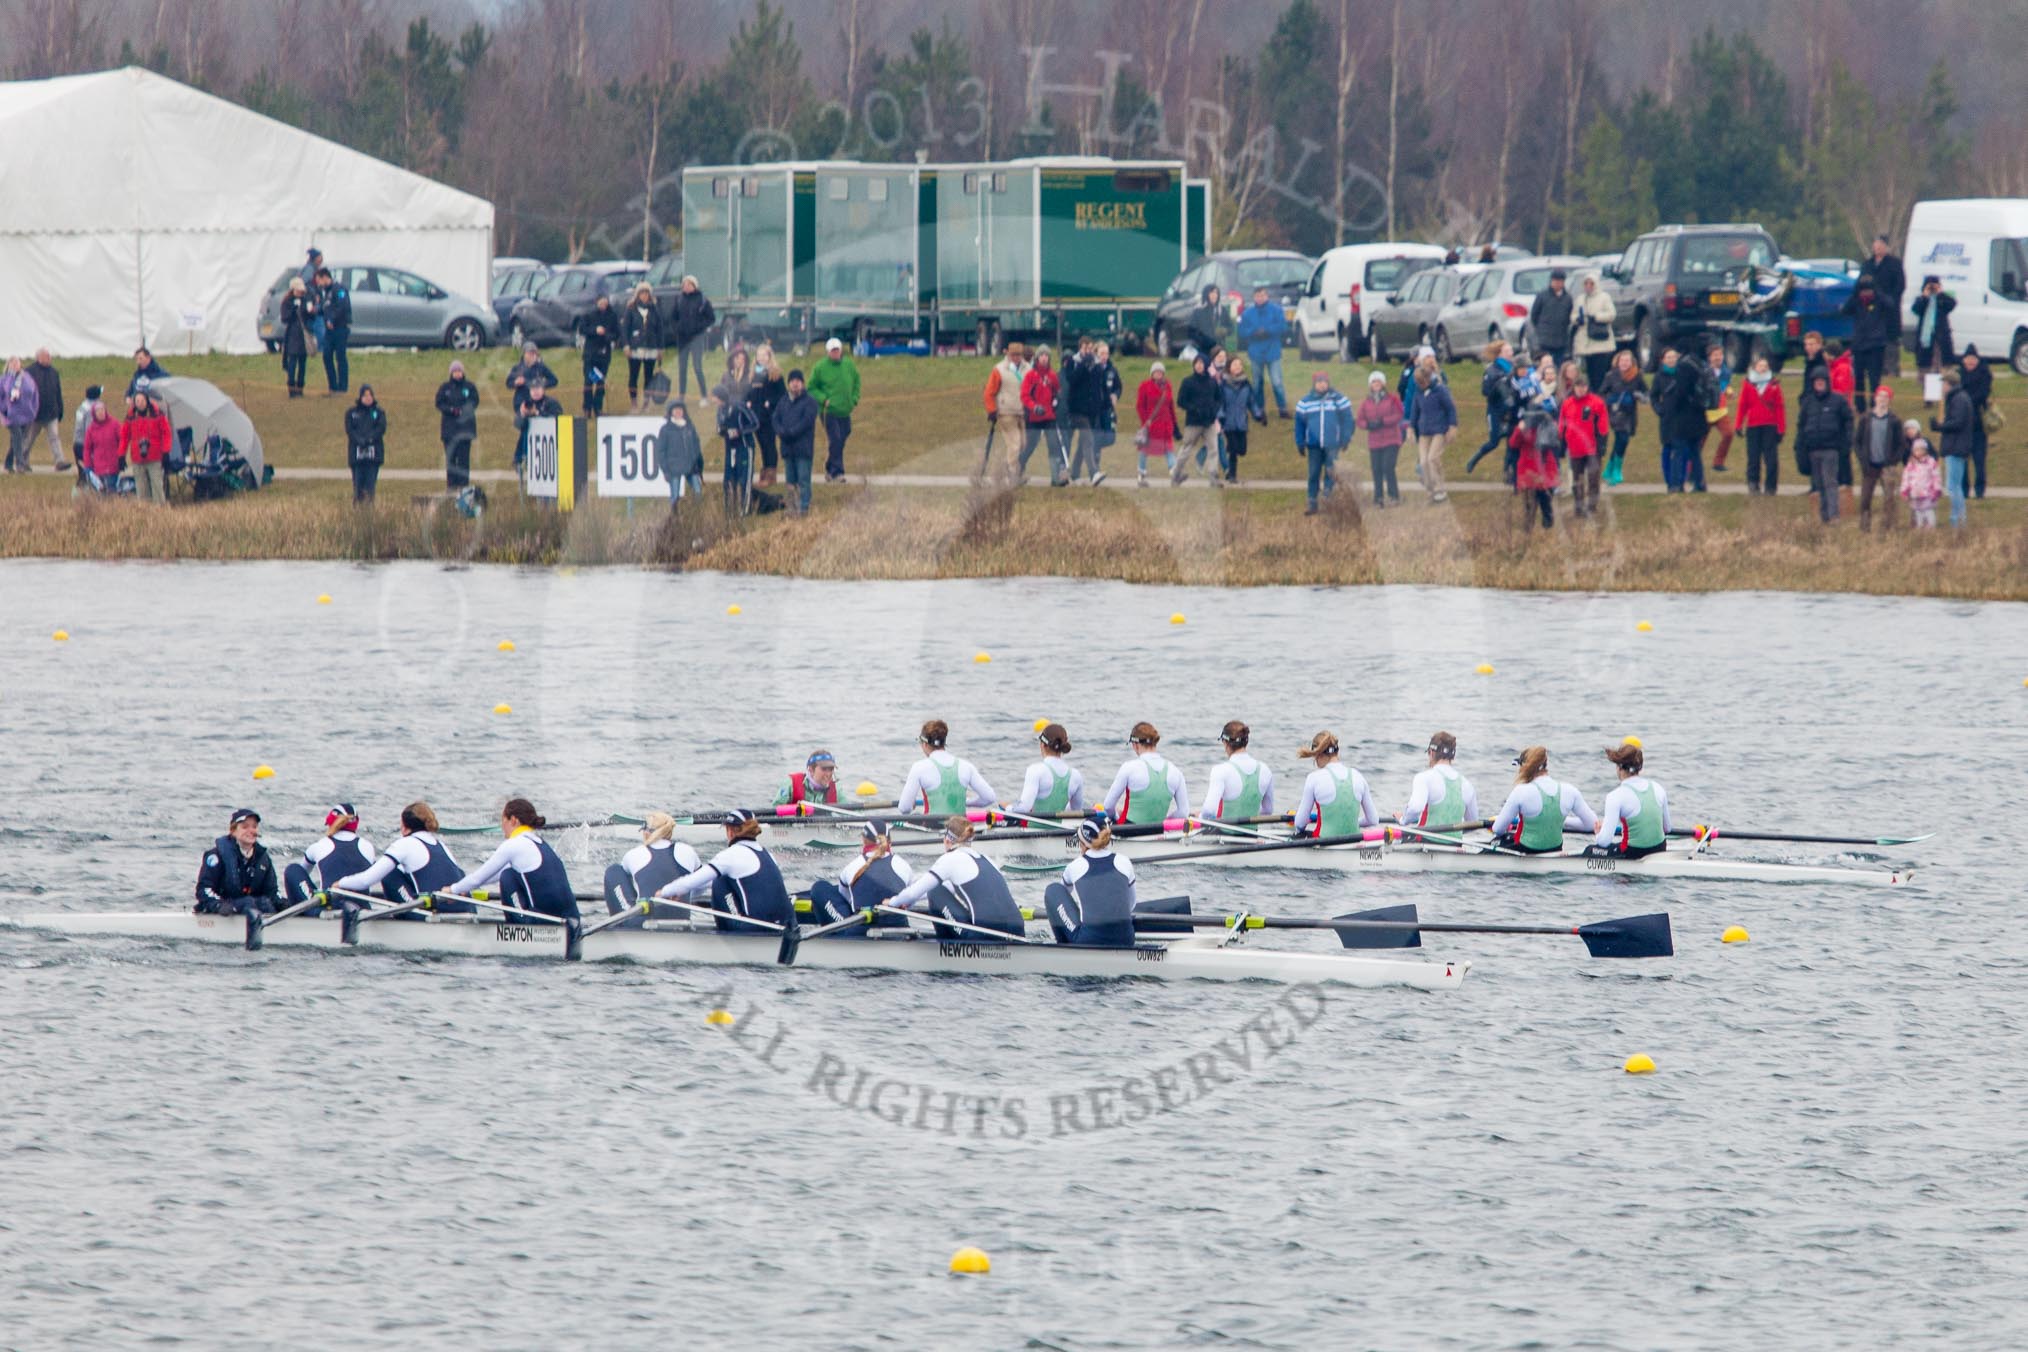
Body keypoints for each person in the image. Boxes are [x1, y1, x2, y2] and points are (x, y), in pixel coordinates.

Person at [882, 816, 1026, 939]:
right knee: (938, 889)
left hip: (986, 935)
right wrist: (909, 901)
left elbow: (916, 891)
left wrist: (893, 903)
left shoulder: (950, 859)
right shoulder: (988, 860)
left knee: (935, 893)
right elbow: (935, 889)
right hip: (1018, 930)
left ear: (947, 840)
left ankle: (945, 949)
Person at [653, 809, 793, 933]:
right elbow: (702, 882)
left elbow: (695, 879)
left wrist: (664, 892)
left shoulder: (731, 855)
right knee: (719, 879)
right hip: (784, 927)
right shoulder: (768, 854)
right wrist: (682, 891)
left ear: (730, 831)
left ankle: (726, 935)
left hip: (752, 929)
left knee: (719, 881)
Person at [449, 797, 578, 924]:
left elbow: (478, 878)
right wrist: (464, 888)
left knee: (508, 877)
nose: (501, 825)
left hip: (547, 927)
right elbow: (491, 876)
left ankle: (515, 928)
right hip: (572, 922)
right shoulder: (540, 843)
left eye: (503, 819)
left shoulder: (514, 844)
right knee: (509, 873)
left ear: (513, 820)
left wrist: (451, 890)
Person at [332, 802, 467, 912]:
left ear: (404, 826)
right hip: (465, 909)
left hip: (436, 913)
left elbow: (367, 880)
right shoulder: (442, 846)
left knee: (390, 873)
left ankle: (407, 914)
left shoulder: (404, 844)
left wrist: (340, 884)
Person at [1045, 812, 1139, 946]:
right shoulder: (1124, 861)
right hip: (1127, 939)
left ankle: (1063, 947)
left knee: (1052, 890)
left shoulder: (1074, 866)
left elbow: (1060, 903)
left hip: (1089, 940)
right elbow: (1131, 904)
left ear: (1083, 843)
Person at [808, 821, 916, 932]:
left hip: (859, 933)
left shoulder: (852, 866)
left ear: (864, 841)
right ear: (890, 841)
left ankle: (831, 935)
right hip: (901, 930)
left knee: (819, 888)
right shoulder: (904, 866)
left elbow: (847, 898)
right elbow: (910, 901)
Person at [601, 812, 707, 925]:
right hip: (683, 923)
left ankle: (623, 923)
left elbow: (622, 885)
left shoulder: (635, 854)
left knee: (613, 871)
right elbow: (702, 886)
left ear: (646, 832)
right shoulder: (687, 851)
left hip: (643, 926)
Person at [1490, 747, 1598, 853]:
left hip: (1526, 850)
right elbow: (1592, 825)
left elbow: (1497, 829)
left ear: (1524, 767)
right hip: (1555, 850)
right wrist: (1560, 820)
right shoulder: (1570, 791)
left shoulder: (1520, 791)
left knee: (1498, 841)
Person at [282, 804, 378, 906]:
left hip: (328, 909)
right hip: (362, 908)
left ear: (331, 823)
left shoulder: (319, 845)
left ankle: (297, 911)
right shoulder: (368, 847)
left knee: (293, 869)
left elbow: (300, 876)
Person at [898, 719, 996, 816]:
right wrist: (967, 802)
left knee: (915, 815)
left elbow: (904, 808)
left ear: (924, 744)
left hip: (932, 828)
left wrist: (911, 805)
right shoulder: (966, 766)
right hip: (960, 829)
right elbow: (989, 798)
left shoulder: (919, 767)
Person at [194, 808, 282, 915]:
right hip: (224, 909)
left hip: (252, 908)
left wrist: (283, 903)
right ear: (233, 831)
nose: (251, 831)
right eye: (245, 827)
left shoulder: (263, 859)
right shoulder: (216, 856)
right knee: (248, 903)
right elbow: (204, 889)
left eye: (254, 827)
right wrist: (218, 905)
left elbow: (271, 892)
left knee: (264, 904)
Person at [1590, 742, 1670, 858]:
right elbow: (1667, 828)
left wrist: (1598, 834)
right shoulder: (1658, 788)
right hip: (1660, 849)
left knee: (1589, 850)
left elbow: (1604, 842)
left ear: (1619, 768)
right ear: (1640, 767)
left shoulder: (1615, 796)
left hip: (1632, 853)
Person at [1795, 366, 1854, 523]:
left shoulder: (1838, 400)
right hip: (1813, 450)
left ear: (1827, 382)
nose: (1819, 384)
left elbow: (1849, 420)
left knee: (1830, 483)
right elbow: (1801, 425)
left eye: (1822, 381)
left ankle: (1834, 516)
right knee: (1818, 485)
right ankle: (1823, 517)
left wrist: (1847, 442)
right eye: (1816, 382)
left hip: (1831, 449)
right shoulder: (1808, 403)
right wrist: (1800, 447)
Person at [1291, 731, 1377, 837]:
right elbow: (1373, 820)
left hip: (1323, 845)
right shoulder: (1358, 776)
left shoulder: (1313, 778)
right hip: (1353, 842)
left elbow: (1300, 823)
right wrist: (1352, 821)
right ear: (1337, 752)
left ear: (1318, 754)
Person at [1101, 721, 1187, 827]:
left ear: (1135, 745)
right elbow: (1183, 812)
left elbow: (1108, 806)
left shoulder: (1129, 767)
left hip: (1128, 831)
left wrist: (1116, 817)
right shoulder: (1176, 771)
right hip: (1158, 830)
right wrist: (1165, 822)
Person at [1294, 369, 1354, 514]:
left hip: (1332, 443)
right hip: (1314, 445)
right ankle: (1312, 501)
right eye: (1319, 382)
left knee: (1331, 472)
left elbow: (1348, 420)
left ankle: (1328, 499)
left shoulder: (1338, 400)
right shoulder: (1305, 402)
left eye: (1324, 382)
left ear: (1328, 383)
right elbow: (1299, 424)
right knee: (1313, 473)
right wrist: (1300, 441)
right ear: (1314, 384)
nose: (1322, 385)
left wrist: (1345, 438)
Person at [1653, 347, 1708, 493]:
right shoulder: (1697, 368)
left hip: (1681, 420)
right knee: (1694, 452)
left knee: (1679, 452)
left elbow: (1679, 395)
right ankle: (1699, 483)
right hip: (1695, 418)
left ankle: (1677, 485)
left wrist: (1668, 408)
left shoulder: (1683, 371)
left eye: (1674, 356)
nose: (1673, 359)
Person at [1200, 720, 1275, 821]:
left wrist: (1198, 817)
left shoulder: (1220, 771)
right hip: (1252, 835)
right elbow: (1268, 810)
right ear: (1246, 742)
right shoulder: (1265, 770)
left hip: (1223, 834)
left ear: (1225, 742)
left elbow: (1208, 812)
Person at [1732, 354, 1785, 496]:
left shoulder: (1774, 384)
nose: (1763, 368)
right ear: (1755, 367)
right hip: (1753, 425)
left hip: (1770, 425)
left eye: (1765, 366)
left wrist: (1781, 428)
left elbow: (1779, 407)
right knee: (1753, 458)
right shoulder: (1748, 383)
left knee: (1771, 459)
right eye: (1760, 366)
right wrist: (1738, 424)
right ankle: (1753, 484)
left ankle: (1771, 487)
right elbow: (1742, 405)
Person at [1401, 731, 1477, 829]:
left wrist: (1403, 819)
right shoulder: (1467, 785)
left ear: (1431, 753)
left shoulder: (1424, 778)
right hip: (1455, 844)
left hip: (1425, 842)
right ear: (1452, 756)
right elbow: (1473, 824)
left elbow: (1415, 809)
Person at [809, 337, 861, 483]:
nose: (835, 353)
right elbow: (812, 387)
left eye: (837, 350)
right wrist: (823, 399)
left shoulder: (848, 365)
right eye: (832, 351)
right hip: (828, 410)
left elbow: (857, 381)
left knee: (845, 434)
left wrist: (854, 398)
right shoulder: (820, 367)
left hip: (845, 409)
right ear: (828, 352)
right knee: (836, 438)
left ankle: (829, 465)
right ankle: (837, 472)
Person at [1017, 345, 1070, 487]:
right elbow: (1024, 395)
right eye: (1042, 355)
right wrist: (1034, 407)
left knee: (1054, 446)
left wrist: (1057, 400)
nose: (1044, 358)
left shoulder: (1052, 375)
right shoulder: (1030, 376)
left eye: (1047, 355)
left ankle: (1055, 478)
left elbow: (1057, 391)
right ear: (1037, 358)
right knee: (1029, 446)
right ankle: (1017, 472)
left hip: (1049, 417)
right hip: (1034, 418)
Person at [714, 347, 760, 506]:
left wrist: (740, 431)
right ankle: (730, 510)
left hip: (743, 428)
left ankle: (745, 508)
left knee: (744, 477)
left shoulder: (749, 375)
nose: (739, 360)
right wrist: (723, 431)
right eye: (736, 357)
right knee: (729, 479)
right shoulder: (726, 377)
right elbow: (719, 425)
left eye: (742, 357)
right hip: (730, 442)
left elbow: (755, 423)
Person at [1855, 384, 1904, 532]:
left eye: (1886, 397)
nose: (1882, 399)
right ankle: (1864, 527)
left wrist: (1893, 461)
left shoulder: (1895, 420)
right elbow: (1857, 441)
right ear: (1875, 398)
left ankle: (1888, 526)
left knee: (1889, 498)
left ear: (1890, 400)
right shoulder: (1866, 418)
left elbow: (1901, 444)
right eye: (1880, 396)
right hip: (1869, 465)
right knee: (1865, 498)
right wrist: (1862, 458)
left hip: (1887, 466)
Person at [1236, 284, 1290, 418]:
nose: (1260, 298)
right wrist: (1254, 333)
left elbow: (1283, 326)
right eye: (1257, 296)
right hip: (1256, 352)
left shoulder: (1276, 310)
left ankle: (1282, 408)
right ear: (1254, 297)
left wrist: (1268, 331)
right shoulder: (1247, 313)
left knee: (1277, 382)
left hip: (1273, 351)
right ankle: (1259, 410)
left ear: (1267, 296)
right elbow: (1242, 331)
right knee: (1257, 382)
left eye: (1263, 295)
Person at [1559, 372, 1608, 519]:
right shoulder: (1567, 403)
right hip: (1574, 448)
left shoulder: (1597, 402)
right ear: (1574, 387)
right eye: (1578, 386)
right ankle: (1578, 506)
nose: (1581, 389)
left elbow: (1603, 424)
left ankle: (1592, 506)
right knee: (1577, 479)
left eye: (1584, 386)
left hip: (1592, 447)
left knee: (1593, 477)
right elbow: (1562, 424)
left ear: (1587, 387)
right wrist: (1561, 442)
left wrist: (1602, 444)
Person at [1841, 275, 1893, 411]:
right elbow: (1844, 310)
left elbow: (1890, 304)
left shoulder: (1879, 300)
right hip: (1859, 345)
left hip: (1876, 346)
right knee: (1858, 378)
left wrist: (1878, 293)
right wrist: (1855, 296)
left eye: (1869, 291)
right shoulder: (1856, 301)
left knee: (1874, 378)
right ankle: (1860, 406)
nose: (1866, 294)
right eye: (1863, 291)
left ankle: (1874, 403)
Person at [1931, 367, 1975, 529]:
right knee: (1954, 485)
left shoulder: (1958, 399)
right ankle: (1958, 519)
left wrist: (1939, 426)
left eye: (1943, 383)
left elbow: (1957, 422)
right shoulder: (1960, 397)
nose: (1942, 387)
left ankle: (1957, 520)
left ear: (1949, 384)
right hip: (1958, 446)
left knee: (1953, 486)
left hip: (1956, 447)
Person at [1464, 341, 1518, 475]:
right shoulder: (1492, 370)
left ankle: (1508, 471)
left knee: (1512, 441)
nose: (1511, 353)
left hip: (1510, 409)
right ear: (1500, 354)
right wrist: (1500, 383)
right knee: (1494, 441)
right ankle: (1474, 459)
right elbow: (1485, 391)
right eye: (1507, 351)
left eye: (1511, 350)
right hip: (1495, 410)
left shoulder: (1515, 368)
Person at [1011, 722, 1085, 815]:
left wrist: (1007, 807)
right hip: (1061, 829)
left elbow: (1023, 808)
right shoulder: (1075, 775)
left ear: (1043, 745)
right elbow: (1076, 811)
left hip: (1034, 829)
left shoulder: (1035, 770)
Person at [771, 369, 819, 512]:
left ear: (802, 384)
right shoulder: (783, 400)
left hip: (803, 448)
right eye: (792, 381)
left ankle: (804, 507)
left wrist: (791, 432)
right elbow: (775, 418)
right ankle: (792, 506)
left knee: (803, 480)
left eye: (798, 381)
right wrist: (780, 431)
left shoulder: (810, 401)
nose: (795, 384)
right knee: (790, 481)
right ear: (788, 384)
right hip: (787, 447)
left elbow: (807, 422)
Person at [1411, 359, 1457, 504]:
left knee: (1432, 458)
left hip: (1439, 429)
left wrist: (1452, 426)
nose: (1421, 385)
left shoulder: (1440, 390)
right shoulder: (1418, 393)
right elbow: (1415, 411)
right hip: (1424, 431)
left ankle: (1440, 488)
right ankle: (1430, 490)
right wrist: (1411, 428)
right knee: (1423, 462)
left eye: (1423, 382)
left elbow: (1451, 409)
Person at [1357, 369, 1405, 507]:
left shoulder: (1392, 398)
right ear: (1370, 385)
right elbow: (1359, 420)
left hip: (1391, 438)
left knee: (1388, 467)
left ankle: (1394, 496)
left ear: (1383, 383)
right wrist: (1368, 425)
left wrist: (1383, 421)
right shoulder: (1366, 402)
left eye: (1378, 381)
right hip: (1374, 441)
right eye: (1373, 381)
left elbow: (1399, 414)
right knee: (1376, 469)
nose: (1376, 384)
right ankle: (1378, 497)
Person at [982, 341, 1029, 480]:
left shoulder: (1028, 369)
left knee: (1023, 444)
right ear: (1007, 354)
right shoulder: (999, 369)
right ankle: (1013, 475)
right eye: (1013, 354)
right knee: (1015, 443)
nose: (1016, 357)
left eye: (1019, 355)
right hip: (1005, 412)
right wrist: (991, 410)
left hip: (1022, 412)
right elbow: (989, 392)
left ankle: (1004, 469)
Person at [1599, 349, 1646, 487]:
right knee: (1622, 437)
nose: (1625, 363)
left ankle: (1610, 468)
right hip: (1615, 413)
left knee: (1622, 440)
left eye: (1627, 361)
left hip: (1630, 413)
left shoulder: (1637, 376)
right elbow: (1601, 393)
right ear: (1618, 362)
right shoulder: (1611, 375)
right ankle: (1617, 470)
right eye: (1622, 361)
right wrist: (1611, 399)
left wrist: (1638, 396)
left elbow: (1646, 392)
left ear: (1632, 362)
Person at [1511, 398, 1559, 530]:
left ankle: (1547, 528)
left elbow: (1553, 441)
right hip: (1528, 469)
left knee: (1545, 503)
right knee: (1529, 505)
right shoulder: (1523, 427)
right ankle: (1528, 531)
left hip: (1544, 468)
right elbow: (1513, 444)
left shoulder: (1548, 426)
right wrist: (1519, 430)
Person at [1173, 350, 1220, 486]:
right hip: (1194, 421)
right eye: (1196, 363)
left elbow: (1219, 398)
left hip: (1209, 421)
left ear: (1206, 365)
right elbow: (1181, 401)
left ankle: (1213, 476)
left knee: (1213, 449)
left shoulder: (1212, 382)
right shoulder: (1188, 382)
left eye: (1201, 363)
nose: (1199, 366)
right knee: (1186, 449)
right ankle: (1176, 473)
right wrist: (1194, 409)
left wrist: (1214, 410)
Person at [1216, 354, 1262, 485]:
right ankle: (1232, 475)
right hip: (1228, 421)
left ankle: (1230, 452)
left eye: (1240, 365)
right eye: (1235, 364)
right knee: (1233, 450)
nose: (1238, 367)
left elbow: (1251, 402)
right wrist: (1220, 415)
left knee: (1242, 449)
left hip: (1241, 422)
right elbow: (1220, 402)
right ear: (1229, 367)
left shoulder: (1246, 384)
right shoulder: (1223, 384)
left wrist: (1258, 414)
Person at [433, 360, 479, 490]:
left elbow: (474, 401)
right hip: (449, 431)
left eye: (459, 371)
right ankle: (451, 487)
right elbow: (439, 403)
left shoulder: (469, 387)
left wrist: (463, 410)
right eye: (455, 371)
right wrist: (451, 410)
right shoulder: (445, 388)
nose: (457, 374)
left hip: (465, 430)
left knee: (464, 461)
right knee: (451, 460)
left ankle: (464, 487)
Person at [120, 390, 173, 505]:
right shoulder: (130, 416)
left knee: (157, 486)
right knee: (141, 488)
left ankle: (159, 509)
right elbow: (124, 436)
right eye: (137, 401)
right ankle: (145, 511)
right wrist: (121, 455)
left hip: (155, 457)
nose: (140, 403)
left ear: (147, 400)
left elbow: (166, 434)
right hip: (137, 458)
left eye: (142, 400)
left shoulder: (157, 414)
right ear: (134, 402)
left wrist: (166, 452)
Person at [669, 275, 717, 398]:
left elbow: (711, 318)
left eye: (689, 284)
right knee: (682, 368)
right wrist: (677, 328)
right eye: (684, 284)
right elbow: (672, 318)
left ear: (694, 286)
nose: (686, 286)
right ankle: (681, 395)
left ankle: (704, 395)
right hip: (683, 338)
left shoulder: (702, 299)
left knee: (697, 367)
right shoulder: (679, 299)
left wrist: (699, 327)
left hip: (697, 338)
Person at [1134, 360, 1178, 486]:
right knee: (1144, 450)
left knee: (1169, 449)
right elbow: (1140, 406)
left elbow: (1171, 406)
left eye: (1160, 372)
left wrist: (1174, 424)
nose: (1158, 374)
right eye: (1155, 372)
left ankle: (1174, 472)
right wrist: (1145, 421)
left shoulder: (1167, 386)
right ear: (1152, 373)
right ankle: (1141, 475)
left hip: (1165, 425)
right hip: (1151, 426)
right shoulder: (1145, 386)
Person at [22, 349, 67, 471]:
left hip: (51, 413)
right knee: (29, 439)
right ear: (39, 358)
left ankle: (60, 461)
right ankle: (22, 461)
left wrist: (60, 410)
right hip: (34, 414)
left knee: (54, 437)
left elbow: (58, 392)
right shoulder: (29, 372)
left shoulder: (54, 372)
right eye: (46, 356)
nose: (49, 358)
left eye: (49, 356)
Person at [622, 283, 664, 410]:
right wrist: (626, 345)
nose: (644, 296)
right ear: (638, 295)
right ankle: (633, 400)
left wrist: (660, 348)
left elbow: (660, 329)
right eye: (642, 293)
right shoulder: (631, 309)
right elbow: (625, 329)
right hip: (635, 347)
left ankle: (646, 401)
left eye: (646, 293)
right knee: (634, 375)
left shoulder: (654, 309)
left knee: (648, 376)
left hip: (650, 346)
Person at [748, 344, 786, 486]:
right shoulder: (753, 374)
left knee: (769, 444)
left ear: (770, 357)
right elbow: (749, 393)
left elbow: (782, 395)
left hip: (769, 416)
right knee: (762, 444)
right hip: (756, 416)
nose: (761, 358)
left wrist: (770, 402)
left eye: (764, 355)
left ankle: (771, 474)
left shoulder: (775, 375)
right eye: (759, 355)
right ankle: (764, 472)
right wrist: (748, 402)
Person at [1869, 233, 1907, 373]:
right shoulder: (1868, 264)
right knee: (1875, 339)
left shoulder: (1894, 264)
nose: (1877, 248)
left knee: (1891, 340)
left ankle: (1892, 368)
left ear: (1886, 247)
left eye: (1880, 245)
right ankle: (1877, 367)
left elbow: (1901, 285)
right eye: (1875, 245)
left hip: (1890, 309)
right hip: (1872, 309)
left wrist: (1890, 299)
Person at [576, 292, 618, 417]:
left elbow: (616, 333)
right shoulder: (589, 314)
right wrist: (595, 331)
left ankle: (598, 408)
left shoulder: (612, 315)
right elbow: (582, 329)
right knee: (589, 382)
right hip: (590, 355)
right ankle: (587, 408)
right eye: (601, 302)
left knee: (600, 383)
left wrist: (607, 335)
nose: (603, 305)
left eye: (605, 302)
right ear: (596, 302)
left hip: (604, 355)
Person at [1573, 274, 1617, 390]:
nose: (1588, 286)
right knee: (1589, 373)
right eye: (1586, 283)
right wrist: (1578, 319)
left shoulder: (1604, 297)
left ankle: (1600, 395)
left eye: (1591, 283)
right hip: (1585, 342)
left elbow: (1611, 314)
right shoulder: (1580, 299)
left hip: (1601, 341)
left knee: (1600, 373)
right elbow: (1573, 315)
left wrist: (1596, 317)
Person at [344, 385, 386, 504]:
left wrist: (369, 440)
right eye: (365, 395)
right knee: (358, 487)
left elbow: (381, 428)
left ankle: (369, 513)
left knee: (370, 487)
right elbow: (350, 430)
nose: (368, 398)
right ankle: (357, 512)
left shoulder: (378, 412)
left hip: (373, 455)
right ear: (360, 397)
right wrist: (360, 441)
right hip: (357, 455)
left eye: (370, 395)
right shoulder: (352, 413)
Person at [656, 399, 703, 504]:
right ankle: (674, 518)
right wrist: (665, 470)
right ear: (671, 412)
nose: (678, 412)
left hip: (691, 466)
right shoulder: (665, 429)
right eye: (675, 410)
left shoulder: (689, 427)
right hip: (674, 468)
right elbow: (661, 452)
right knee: (675, 497)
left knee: (698, 493)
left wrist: (698, 465)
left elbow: (696, 445)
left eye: (680, 410)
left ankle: (698, 516)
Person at [1961, 346, 1993, 500]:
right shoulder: (1958, 375)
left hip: (1979, 425)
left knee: (1979, 460)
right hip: (1962, 426)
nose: (1970, 362)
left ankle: (1980, 490)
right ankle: (1964, 490)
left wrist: (1966, 401)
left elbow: (1983, 393)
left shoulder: (1985, 374)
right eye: (1968, 358)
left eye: (1973, 359)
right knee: (1963, 461)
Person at [513, 379, 562, 475]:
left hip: (549, 443)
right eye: (532, 389)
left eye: (538, 389)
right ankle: (523, 459)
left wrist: (538, 413)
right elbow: (518, 425)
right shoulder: (527, 404)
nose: (535, 392)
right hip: (529, 443)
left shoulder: (551, 403)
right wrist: (523, 414)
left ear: (543, 389)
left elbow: (558, 419)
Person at [1910, 276, 1956, 377]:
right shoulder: (1921, 299)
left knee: (1943, 360)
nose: (1932, 289)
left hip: (1941, 335)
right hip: (1925, 337)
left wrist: (1941, 293)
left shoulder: (1942, 299)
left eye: (1934, 286)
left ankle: (1944, 380)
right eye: (1930, 286)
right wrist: (1924, 296)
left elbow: (1952, 305)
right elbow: (1915, 309)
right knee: (1925, 361)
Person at [1529, 268, 1575, 368]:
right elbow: (1534, 316)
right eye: (1555, 281)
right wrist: (1542, 330)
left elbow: (1569, 318)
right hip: (1544, 340)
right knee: (1545, 366)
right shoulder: (1542, 296)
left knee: (1559, 366)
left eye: (1560, 281)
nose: (1557, 283)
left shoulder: (1568, 298)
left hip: (1560, 340)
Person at [1, 356, 40, 474]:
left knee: (18, 440)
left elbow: (34, 394)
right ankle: (20, 464)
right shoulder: (4, 379)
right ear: (8, 365)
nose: (15, 365)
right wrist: (4, 410)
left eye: (17, 363)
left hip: (27, 414)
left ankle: (8, 463)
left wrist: (34, 409)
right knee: (17, 438)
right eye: (12, 363)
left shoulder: (27, 378)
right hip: (11, 415)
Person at [278, 276, 316, 398]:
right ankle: (291, 388)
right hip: (292, 335)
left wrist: (311, 312)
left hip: (303, 335)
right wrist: (294, 310)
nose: (301, 292)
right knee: (292, 362)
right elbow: (285, 318)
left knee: (303, 363)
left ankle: (300, 387)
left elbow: (310, 318)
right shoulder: (287, 301)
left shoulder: (306, 299)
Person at [316, 266, 351, 394]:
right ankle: (332, 386)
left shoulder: (339, 289)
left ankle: (342, 387)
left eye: (319, 280)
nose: (319, 284)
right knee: (326, 356)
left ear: (325, 277)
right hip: (329, 331)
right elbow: (326, 308)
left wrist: (332, 319)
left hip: (340, 328)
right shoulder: (326, 292)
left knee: (340, 357)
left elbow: (342, 306)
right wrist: (316, 310)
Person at [1701, 340, 1735, 472]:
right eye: (1715, 355)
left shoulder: (1726, 372)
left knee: (1728, 434)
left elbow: (1724, 387)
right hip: (1706, 410)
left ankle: (1718, 462)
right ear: (1709, 357)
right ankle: (1691, 467)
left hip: (1720, 410)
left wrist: (1730, 392)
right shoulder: (1704, 370)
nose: (1718, 358)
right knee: (1700, 441)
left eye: (1720, 355)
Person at [77, 397, 121, 494]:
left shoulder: (114, 424)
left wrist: (121, 457)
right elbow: (87, 449)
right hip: (98, 467)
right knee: (101, 493)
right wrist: (88, 466)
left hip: (113, 466)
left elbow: (122, 441)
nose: (101, 413)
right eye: (98, 411)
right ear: (94, 414)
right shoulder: (91, 429)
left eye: (102, 410)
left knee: (112, 492)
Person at [1900, 434, 1942, 528]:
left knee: (1928, 511)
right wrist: (1904, 490)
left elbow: (1936, 476)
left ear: (1925, 450)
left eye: (1921, 450)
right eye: (1916, 450)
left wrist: (1937, 489)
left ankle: (1930, 527)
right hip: (1915, 493)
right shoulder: (1910, 464)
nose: (1918, 452)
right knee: (1918, 512)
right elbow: (1906, 478)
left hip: (1928, 493)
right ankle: (1919, 529)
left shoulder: (1931, 462)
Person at [773, 749, 840, 807]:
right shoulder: (790, 784)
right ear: (811, 770)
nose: (828, 774)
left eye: (831, 769)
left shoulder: (837, 789)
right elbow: (775, 812)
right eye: (824, 769)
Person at [1186, 282, 1226, 355]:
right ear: (1206, 294)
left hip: (1219, 350)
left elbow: (1230, 327)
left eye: (1216, 293)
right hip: (1203, 349)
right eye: (1212, 293)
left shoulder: (1222, 310)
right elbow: (1191, 331)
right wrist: (1203, 341)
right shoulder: (1198, 310)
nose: (1214, 295)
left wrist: (1224, 330)